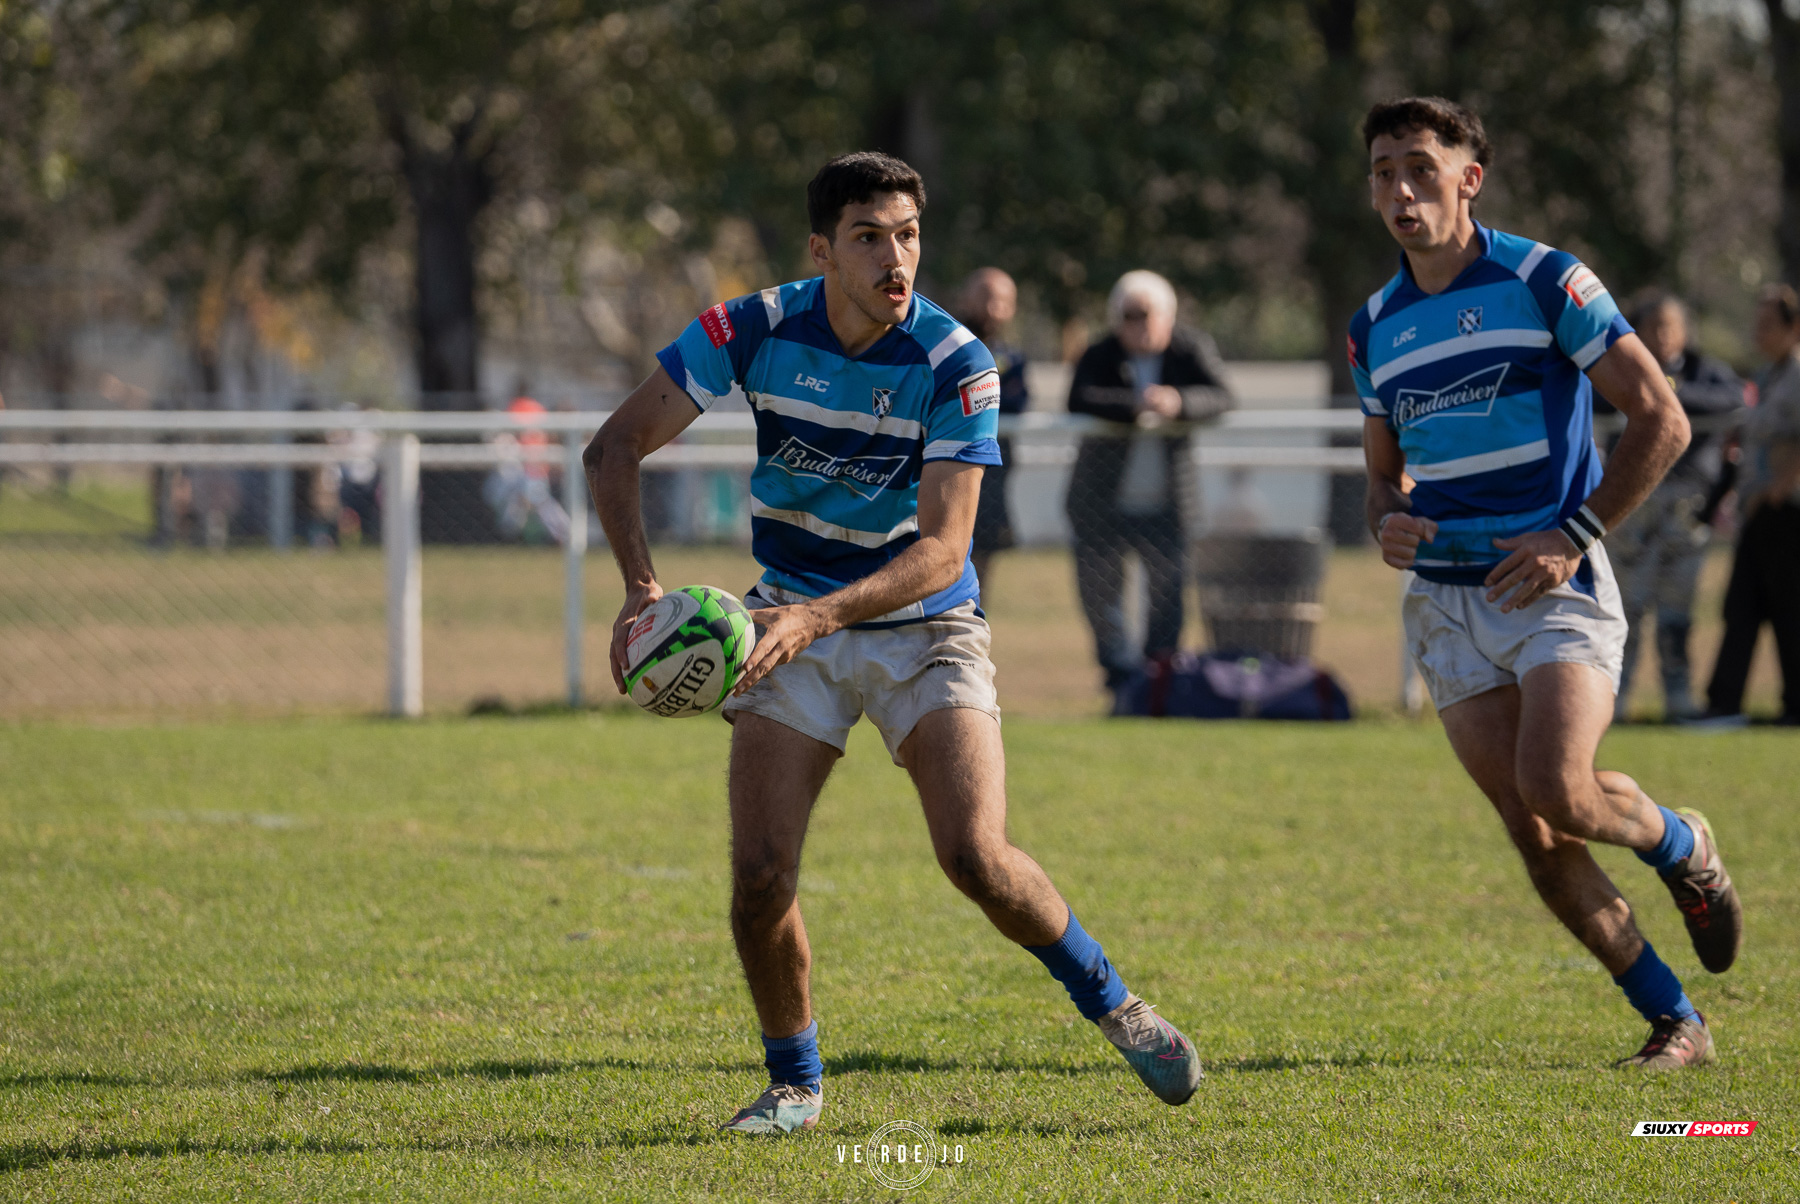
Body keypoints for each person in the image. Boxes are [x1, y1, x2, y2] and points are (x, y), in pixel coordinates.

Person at [585, 152, 1202, 1136]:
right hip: (791, 621)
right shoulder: (750, 328)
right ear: (822, 249)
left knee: (975, 855)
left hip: (926, 628)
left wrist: (817, 617)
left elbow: (945, 547)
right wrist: (640, 591)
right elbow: (613, 446)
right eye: (870, 237)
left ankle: (1120, 1007)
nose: (896, 257)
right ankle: (795, 1084)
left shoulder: (957, 361)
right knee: (758, 878)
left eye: (909, 235)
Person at [1351, 97, 1742, 1070]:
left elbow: (1661, 417)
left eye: (1422, 168)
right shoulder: (1372, 326)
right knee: (1533, 831)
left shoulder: (1545, 279)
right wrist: (1387, 520)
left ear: (1469, 179)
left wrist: (1572, 535)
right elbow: (1380, 477)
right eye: (1384, 171)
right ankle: (1675, 1020)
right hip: (1445, 603)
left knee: (1562, 787)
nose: (1401, 189)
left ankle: (1679, 843)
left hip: (1551, 584)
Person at [1065, 270, 1233, 690]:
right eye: (1128, 315)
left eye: (1146, 314)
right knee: (1101, 595)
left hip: (1169, 503)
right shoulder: (1100, 354)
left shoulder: (1189, 349)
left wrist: (1177, 402)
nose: (1138, 324)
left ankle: (1159, 677)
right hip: (1101, 503)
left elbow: (1221, 395)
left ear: (1168, 316)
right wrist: (1135, 407)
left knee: (1168, 594)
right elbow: (1079, 397)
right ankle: (1120, 676)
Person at [1599, 292, 1744, 720]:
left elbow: (1735, 399)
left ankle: (1678, 697)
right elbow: (1597, 399)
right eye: (1653, 326)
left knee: (1678, 606)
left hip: (1688, 506)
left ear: (1685, 332)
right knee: (1626, 604)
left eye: (1670, 326)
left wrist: (1663, 389)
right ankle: (1614, 698)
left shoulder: (1707, 372)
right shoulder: (1616, 368)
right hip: (1630, 505)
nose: (1662, 335)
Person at [1693, 284, 1800, 726]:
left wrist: (1782, 485)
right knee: (1741, 605)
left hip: (1787, 510)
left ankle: (1795, 707)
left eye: (1768, 325)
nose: (1759, 333)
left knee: (1790, 608)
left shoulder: (1796, 375)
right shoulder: (1766, 374)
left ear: (1795, 328)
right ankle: (1724, 703)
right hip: (1759, 510)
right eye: (1756, 324)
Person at [954, 267, 1030, 587]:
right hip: (945, 466)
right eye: (986, 298)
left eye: (1002, 301)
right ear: (967, 298)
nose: (993, 308)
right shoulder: (947, 346)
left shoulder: (1012, 358)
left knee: (982, 559)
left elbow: (1017, 401)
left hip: (992, 478)